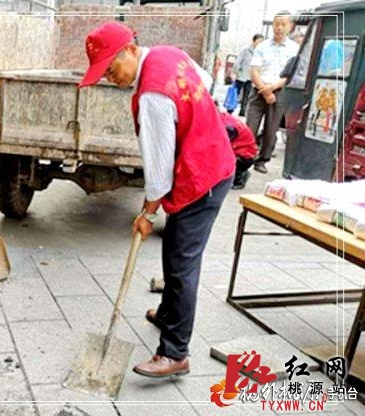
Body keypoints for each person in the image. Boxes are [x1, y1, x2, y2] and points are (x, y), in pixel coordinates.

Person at [79, 22, 235, 378]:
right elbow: (204, 82)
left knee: (182, 264)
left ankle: (175, 352)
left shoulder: (152, 96)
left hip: (203, 177)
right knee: (175, 246)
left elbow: (159, 171)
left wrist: (147, 214)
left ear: (131, 50)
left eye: (112, 69)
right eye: (104, 74)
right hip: (208, 159)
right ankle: (168, 314)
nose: (111, 79)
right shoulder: (168, 54)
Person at [246, 11, 299, 174]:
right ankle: (243, 159)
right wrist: (265, 90)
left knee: (271, 130)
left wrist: (273, 87)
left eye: (283, 24)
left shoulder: (294, 49)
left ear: (290, 26)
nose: (279, 28)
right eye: (277, 24)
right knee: (249, 128)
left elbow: (291, 75)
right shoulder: (262, 46)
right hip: (258, 91)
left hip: (280, 92)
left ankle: (262, 160)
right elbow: (254, 71)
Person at [220, 112, 258, 190]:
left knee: (220, 156)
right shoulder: (222, 118)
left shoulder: (228, 127)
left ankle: (240, 177)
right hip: (241, 151)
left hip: (245, 156)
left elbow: (222, 146)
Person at [231, 34, 264, 117]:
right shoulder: (246, 50)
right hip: (241, 76)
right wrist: (235, 72)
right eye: (258, 41)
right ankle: (230, 108)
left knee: (247, 95)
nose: (260, 43)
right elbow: (238, 62)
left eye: (261, 42)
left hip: (250, 78)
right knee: (235, 93)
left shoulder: (260, 53)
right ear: (253, 41)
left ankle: (243, 110)